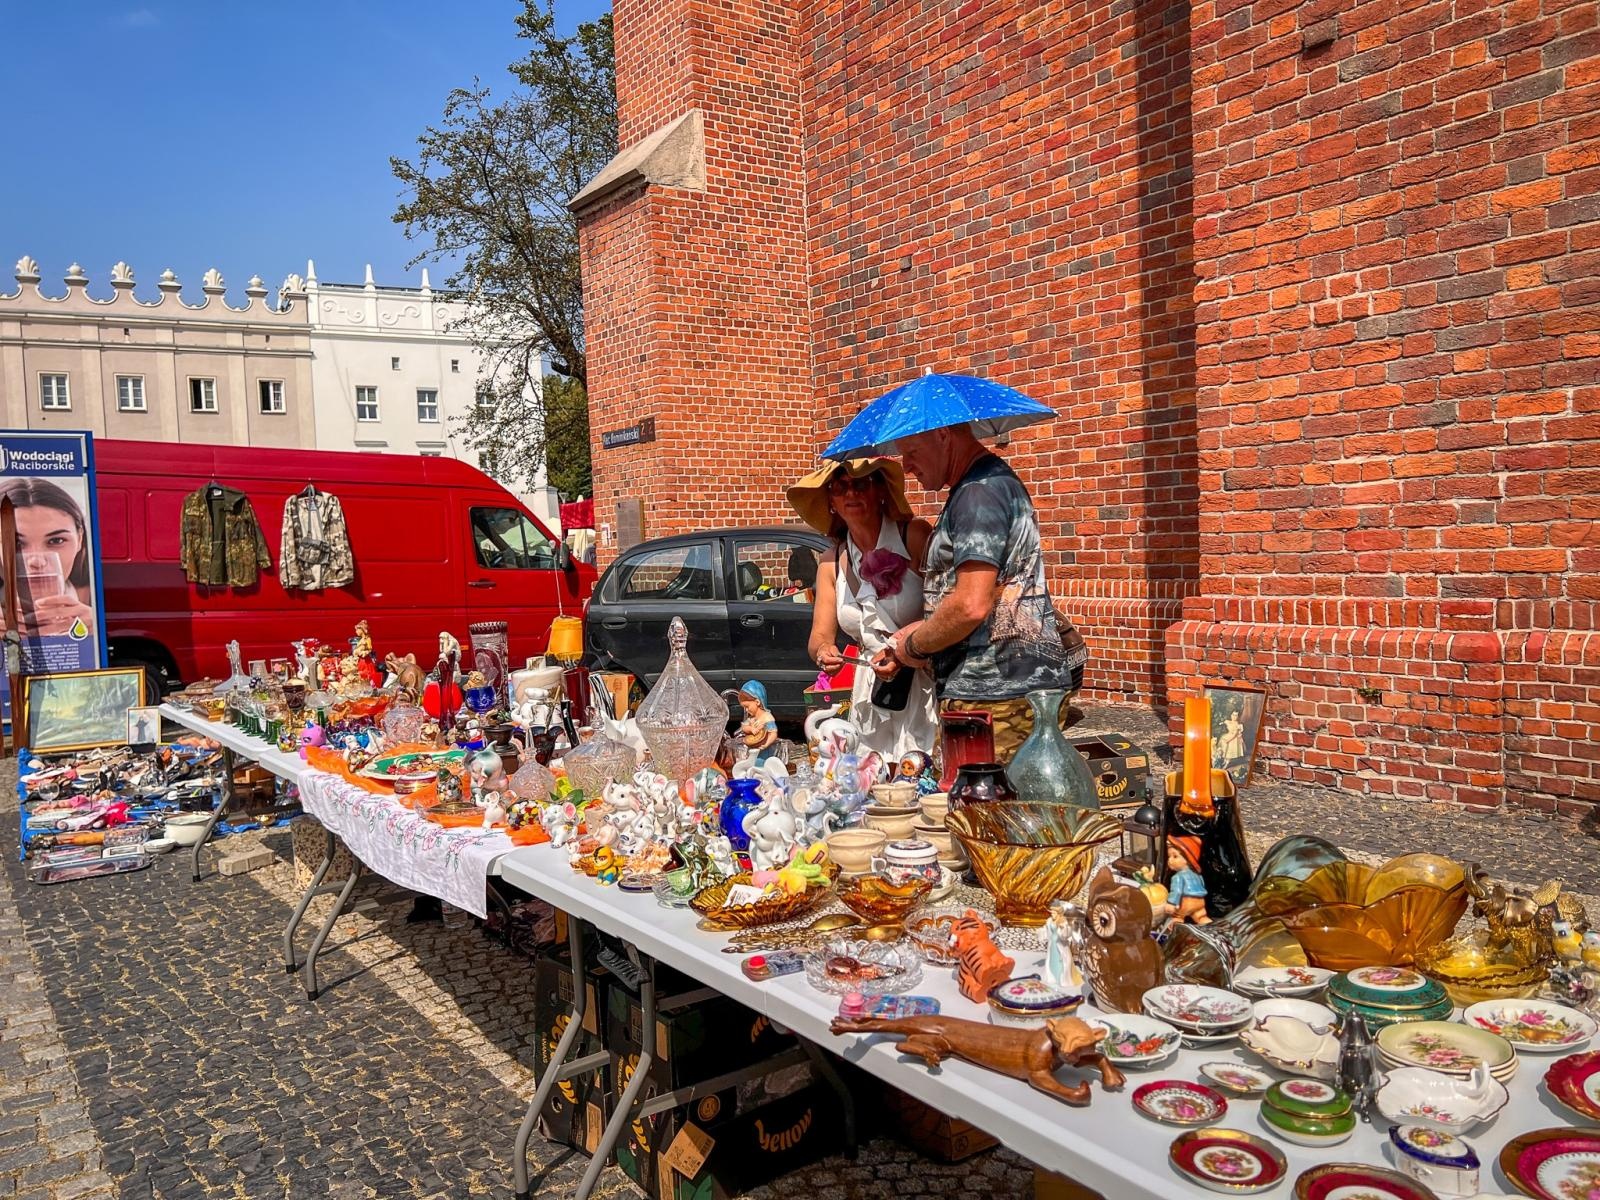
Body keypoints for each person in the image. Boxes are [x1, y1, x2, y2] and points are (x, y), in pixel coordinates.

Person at [881, 422, 1083, 762]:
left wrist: (911, 649)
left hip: (996, 699)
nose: (907, 466)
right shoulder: (982, 486)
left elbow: (971, 605)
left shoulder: (978, 494)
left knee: (982, 812)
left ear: (943, 435)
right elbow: (991, 597)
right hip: (1002, 693)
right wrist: (916, 631)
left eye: (912, 453)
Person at [790, 458, 937, 759]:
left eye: (861, 484)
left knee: (925, 777)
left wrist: (909, 646)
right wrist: (824, 653)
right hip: (870, 691)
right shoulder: (831, 561)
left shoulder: (915, 537)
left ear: (881, 490)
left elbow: (947, 611)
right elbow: (819, 637)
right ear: (831, 500)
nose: (850, 494)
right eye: (840, 487)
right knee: (874, 781)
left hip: (924, 685)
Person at [0, 477, 97, 638]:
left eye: (56, 541)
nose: (36, 560)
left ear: (80, 539)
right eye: (16, 543)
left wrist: (97, 637)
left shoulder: (101, 604)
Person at [735, 680, 779, 763]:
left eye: (747, 706)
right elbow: (744, 727)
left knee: (760, 764)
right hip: (751, 750)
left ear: (757, 702)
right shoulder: (751, 718)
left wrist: (766, 744)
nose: (746, 710)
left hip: (764, 751)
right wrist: (751, 729)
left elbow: (773, 733)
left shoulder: (767, 717)